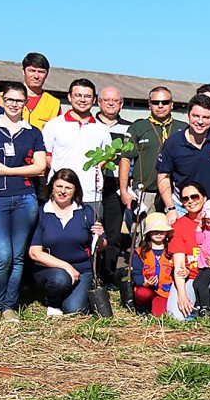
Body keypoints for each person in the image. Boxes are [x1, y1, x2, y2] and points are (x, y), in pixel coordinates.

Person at [0, 83, 48, 320]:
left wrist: (7, 171)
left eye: (19, 101)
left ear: (26, 103)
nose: (14, 104)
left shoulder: (33, 132)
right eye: (10, 100)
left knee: (17, 256)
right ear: (2, 100)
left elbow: (40, 167)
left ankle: (9, 306)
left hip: (25, 197)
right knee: (1, 254)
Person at [28, 169, 106, 316]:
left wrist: (100, 238)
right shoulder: (41, 213)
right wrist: (67, 267)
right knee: (60, 279)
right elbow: (34, 253)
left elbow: (101, 248)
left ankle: (69, 297)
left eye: (68, 188)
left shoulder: (86, 212)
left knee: (75, 310)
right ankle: (53, 300)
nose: (63, 191)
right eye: (59, 186)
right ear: (51, 187)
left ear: (75, 190)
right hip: (50, 269)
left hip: (83, 269)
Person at [156, 94, 210, 223]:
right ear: (188, 115)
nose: (200, 121)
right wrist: (170, 208)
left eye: (205, 117)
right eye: (196, 116)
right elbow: (163, 177)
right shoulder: (173, 143)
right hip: (182, 208)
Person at [42, 78, 112, 214]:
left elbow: (106, 157)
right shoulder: (54, 125)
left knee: (92, 234)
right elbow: (46, 155)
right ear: (69, 97)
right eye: (78, 95)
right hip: (60, 194)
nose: (82, 100)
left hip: (90, 195)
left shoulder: (102, 129)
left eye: (87, 96)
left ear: (94, 100)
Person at [165, 182, 210, 320]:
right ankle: (198, 304)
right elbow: (179, 265)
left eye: (195, 196)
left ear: (205, 198)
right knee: (175, 317)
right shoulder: (179, 226)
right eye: (185, 199)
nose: (190, 201)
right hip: (190, 278)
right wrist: (182, 295)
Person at [120, 87, 186, 216]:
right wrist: (124, 190)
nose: (160, 106)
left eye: (165, 102)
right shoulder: (137, 128)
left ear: (172, 104)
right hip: (146, 193)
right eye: (155, 102)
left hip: (176, 194)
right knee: (144, 233)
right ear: (149, 104)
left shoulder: (183, 128)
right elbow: (125, 159)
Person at [95, 86, 130, 282]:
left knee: (114, 234)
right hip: (92, 185)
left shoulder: (129, 128)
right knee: (92, 230)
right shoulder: (90, 125)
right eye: (106, 100)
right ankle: (91, 273)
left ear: (121, 104)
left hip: (116, 185)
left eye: (115, 101)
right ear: (98, 102)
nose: (110, 103)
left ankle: (107, 275)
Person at [131, 213, 174, 316]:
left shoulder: (171, 252)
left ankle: (153, 305)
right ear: (148, 233)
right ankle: (141, 306)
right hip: (146, 287)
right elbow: (136, 273)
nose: (158, 234)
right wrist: (144, 282)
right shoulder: (140, 252)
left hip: (164, 291)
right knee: (142, 294)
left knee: (159, 314)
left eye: (162, 231)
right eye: (154, 231)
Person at [14, 52, 60, 131]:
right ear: (23, 71)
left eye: (41, 72)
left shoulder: (54, 104)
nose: (36, 76)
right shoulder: (3, 99)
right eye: (32, 71)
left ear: (47, 74)